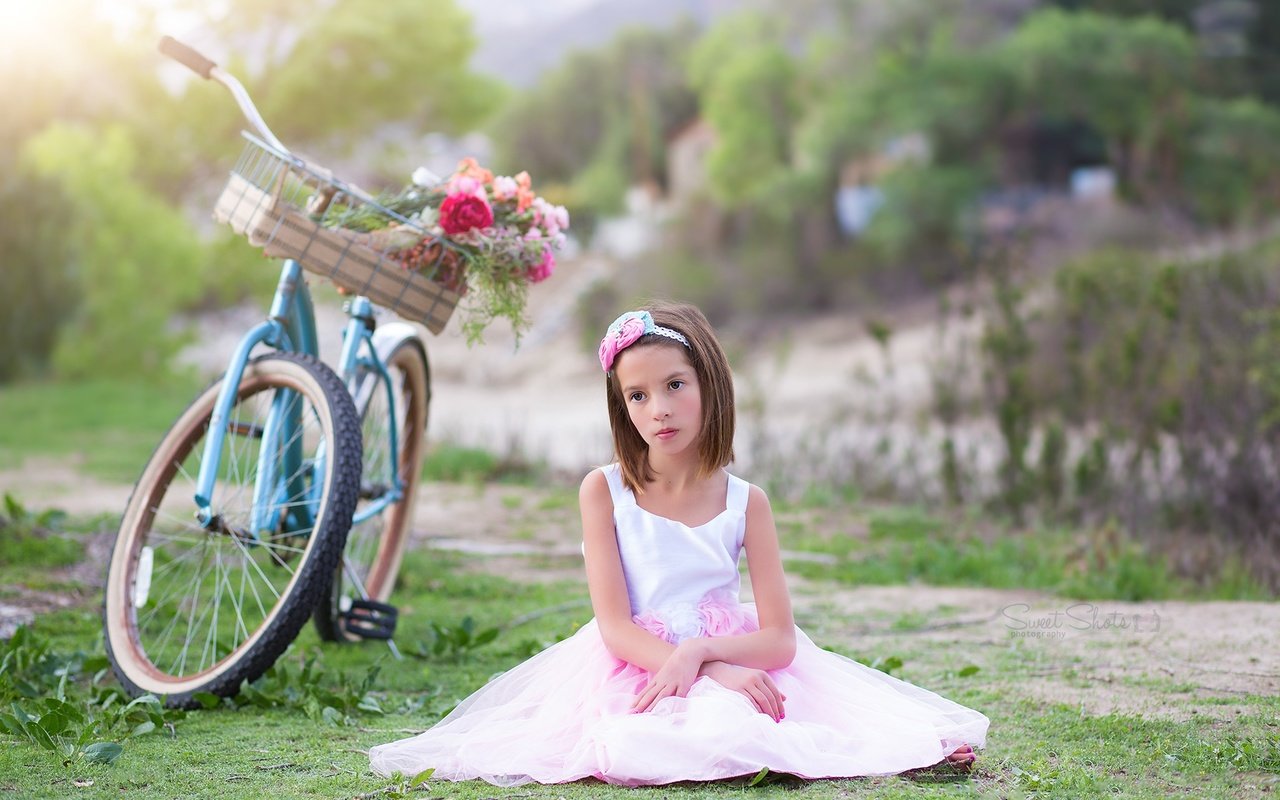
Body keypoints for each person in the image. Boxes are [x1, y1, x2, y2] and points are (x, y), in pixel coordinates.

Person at [369, 301, 989, 786]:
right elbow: (613, 626)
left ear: (709, 385)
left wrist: (713, 654)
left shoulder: (748, 502)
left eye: (674, 386)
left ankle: (911, 748)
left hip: (731, 646)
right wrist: (702, 664)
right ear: (622, 407)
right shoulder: (603, 491)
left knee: (770, 729)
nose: (658, 409)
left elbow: (779, 638)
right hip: (637, 659)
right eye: (637, 396)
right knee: (641, 741)